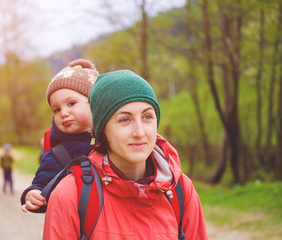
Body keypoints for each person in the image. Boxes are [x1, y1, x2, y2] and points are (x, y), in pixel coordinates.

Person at [43, 70, 208, 239]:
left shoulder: (180, 189)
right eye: (125, 119)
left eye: (147, 116)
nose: (139, 132)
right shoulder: (70, 194)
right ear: (102, 131)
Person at [21, 59, 99, 213]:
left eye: (71, 103)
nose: (63, 113)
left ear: (95, 102)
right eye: (56, 109)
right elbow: (44, 181)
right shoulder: (58, 152)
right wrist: (33, 193)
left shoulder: (115, 139)